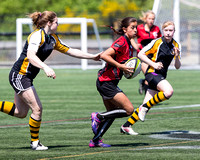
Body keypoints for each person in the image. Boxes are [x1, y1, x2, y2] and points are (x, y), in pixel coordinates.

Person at [0, 11, 100, 150]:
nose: (58, 24)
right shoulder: (37, 35)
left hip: (26, 77)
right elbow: (31, 55)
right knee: (37, 109)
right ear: (49, 23)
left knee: (20, 113)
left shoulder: (52, 38)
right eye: (56, 22)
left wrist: (92, 56)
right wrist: (45, 67)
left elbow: (70, 50)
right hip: (20, 75)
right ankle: (35, 143)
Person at [120, 21, 181, 135]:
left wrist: (177, 57)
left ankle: (126, 126)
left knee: (146, 104)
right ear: (163, 31)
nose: (168, 33)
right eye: (166, 30)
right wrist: (154, 64)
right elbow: (140, 54)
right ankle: (144, 108)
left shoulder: (176, 45)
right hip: (152, 73)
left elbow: (177, 66)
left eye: (171, 30)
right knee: (168, 92)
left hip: (161, 76)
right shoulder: (156, 42)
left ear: (174, 31)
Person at [89, 17, 138, 148]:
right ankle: (98, 116)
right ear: (124, 29)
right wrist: (121, 67)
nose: (135, 29)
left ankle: (95, 140)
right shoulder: (122, 41)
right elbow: (105, 55)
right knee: (129, 110)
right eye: (132, 27)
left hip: (107, 82)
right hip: (106, 82)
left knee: (111, 112)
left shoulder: (128, 42)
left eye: (136, 27)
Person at [132, 10, 162, 95]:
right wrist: (135, 45)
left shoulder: (156, 29)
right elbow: (131, 37)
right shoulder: (139, 28)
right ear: (145, 19)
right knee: (149, 75)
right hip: (143, 56)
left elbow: (160, 41)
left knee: (153, 76)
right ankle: (148, 99)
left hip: (153, 56)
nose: (151, 20)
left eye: (153, 19)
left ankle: (143, 83)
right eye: (149, 18)